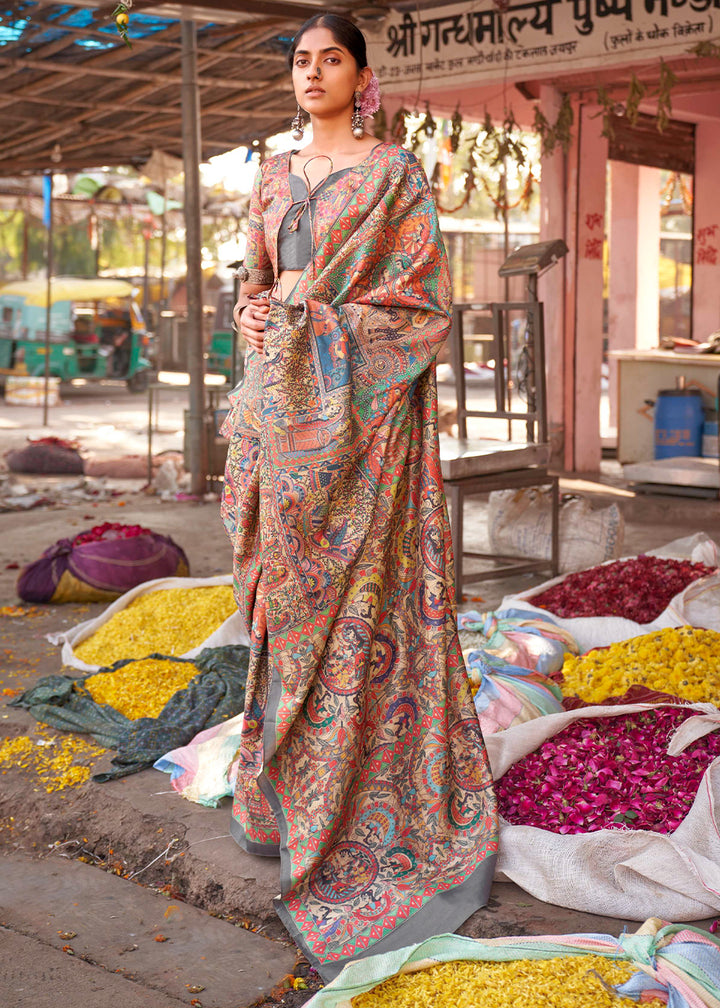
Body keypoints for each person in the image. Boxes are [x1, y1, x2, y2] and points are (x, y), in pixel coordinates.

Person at [221, 13, 498, 981]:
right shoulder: (270, 175)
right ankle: (283, 807)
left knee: (357, 613)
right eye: (301, 61)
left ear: (362, 76)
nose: (312, 73)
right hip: (277, 418)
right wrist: (254, 314)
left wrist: (315, 325)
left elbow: (422, 310)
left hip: (360, 431)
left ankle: (359, 811)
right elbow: (256, 284)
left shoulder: (394, 174)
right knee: (280, 605)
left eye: (329, 59)